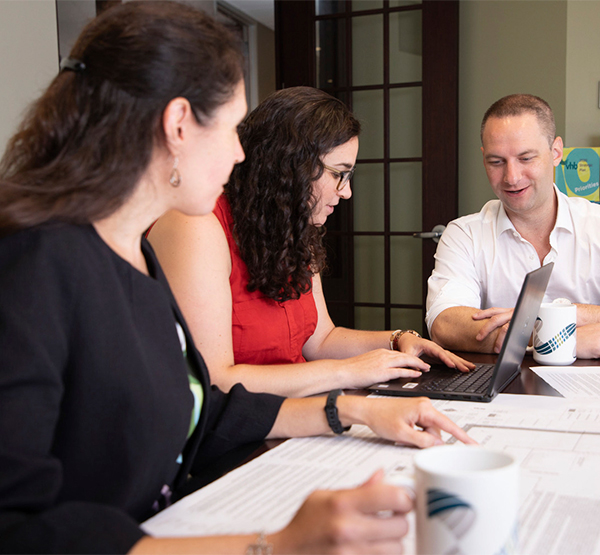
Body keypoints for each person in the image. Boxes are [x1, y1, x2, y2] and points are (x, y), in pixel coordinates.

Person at [0, 4, 474, 554]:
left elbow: (204, 408)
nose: (241, 152)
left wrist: (357, 408)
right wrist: (273, 545)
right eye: (231, 129)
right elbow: (18, 533)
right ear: (178, 125)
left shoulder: (133, 256)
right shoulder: (35, 265)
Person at [148, 86, 474, 398]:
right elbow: (215, 381)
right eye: (339, 174)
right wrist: (348, 373)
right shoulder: (197, 227)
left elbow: (319, 341)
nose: (346, 192)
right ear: (291, 165)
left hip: (293, 413)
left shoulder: (292, 227)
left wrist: (398, 340)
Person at [426, 94, 600, 360]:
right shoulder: (463, 234)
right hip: (506, 395)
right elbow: (445, 324)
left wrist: (563, 316)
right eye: (496, 162)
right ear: (484, 158)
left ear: (555, 152)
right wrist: (560, 338)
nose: (512, 177)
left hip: (596, 394)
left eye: (526, 158)